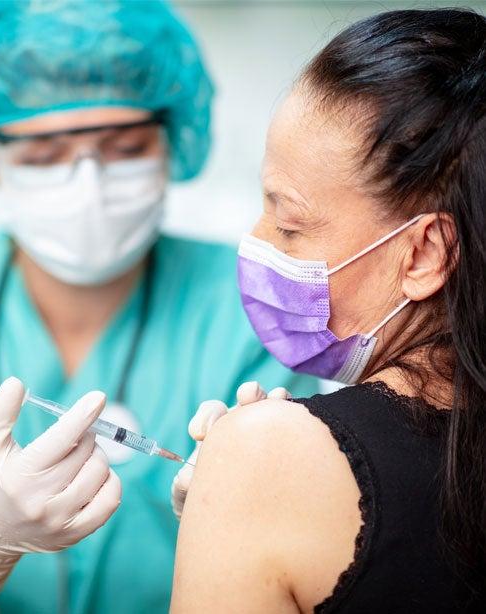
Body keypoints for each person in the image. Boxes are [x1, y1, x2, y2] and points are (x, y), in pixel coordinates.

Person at [0, 1, 318, 612]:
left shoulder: (254, 306)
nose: (86, 184)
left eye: (123, 147)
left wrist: (263, 513)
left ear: (171, 142)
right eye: (43, 155)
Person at [172, 8, 486, 612]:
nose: (258, 242)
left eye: (290, 226)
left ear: (422, 254)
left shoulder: (262, 458)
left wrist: (254, 471)